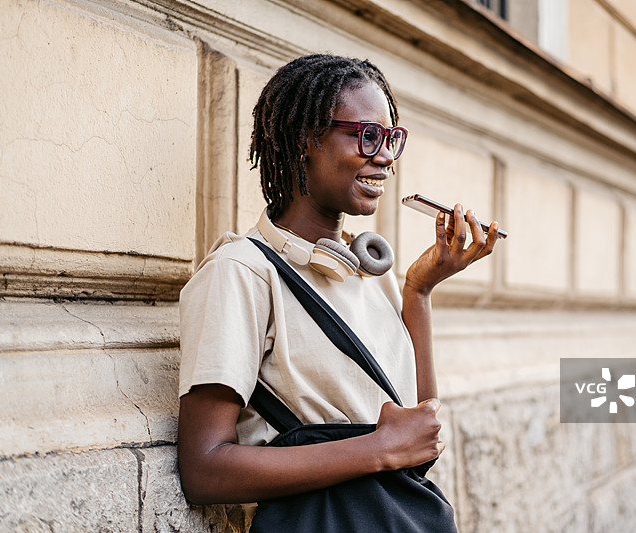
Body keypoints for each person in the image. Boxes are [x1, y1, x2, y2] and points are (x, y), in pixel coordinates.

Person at [176, 54, 499, 521]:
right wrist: (377, 449)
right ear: (307, 140)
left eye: (391, 138)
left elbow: (418, 446)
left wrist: (419, 292)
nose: (384, 157)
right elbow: (204, 469)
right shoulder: (242, 272)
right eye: (366, 136)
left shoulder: (372, 274)